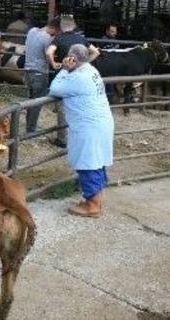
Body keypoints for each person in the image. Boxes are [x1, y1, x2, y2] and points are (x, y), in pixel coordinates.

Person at [49, 44, 114, 218]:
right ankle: (96, 200)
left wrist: (63, 69)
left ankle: (92, 206)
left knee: (88, 163)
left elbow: (54, 89)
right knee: (97, 161)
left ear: (73, 59)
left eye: (68, 57)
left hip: (89, 127)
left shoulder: (78, 78)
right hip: (100, 123)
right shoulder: (91, 70)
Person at [45, 16, 100, 147]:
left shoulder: (58, 38)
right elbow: (96, 52)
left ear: (62, 27)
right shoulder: (81, 39)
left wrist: (53, 63)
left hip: (65, 76)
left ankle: (63, 139)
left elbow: (48, 52)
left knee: (63, 108)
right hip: (80, 77)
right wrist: (83, 63)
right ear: (74, 26)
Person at [23, 18, 60, 134]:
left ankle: (30, 126)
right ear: (55, 29)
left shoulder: (32, 31)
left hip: (28, 71)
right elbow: (49, 54)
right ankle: (31, 130)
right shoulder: (47, 38)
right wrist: (54, 62)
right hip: (39, 73)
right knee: (37, 103)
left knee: (31, 100)